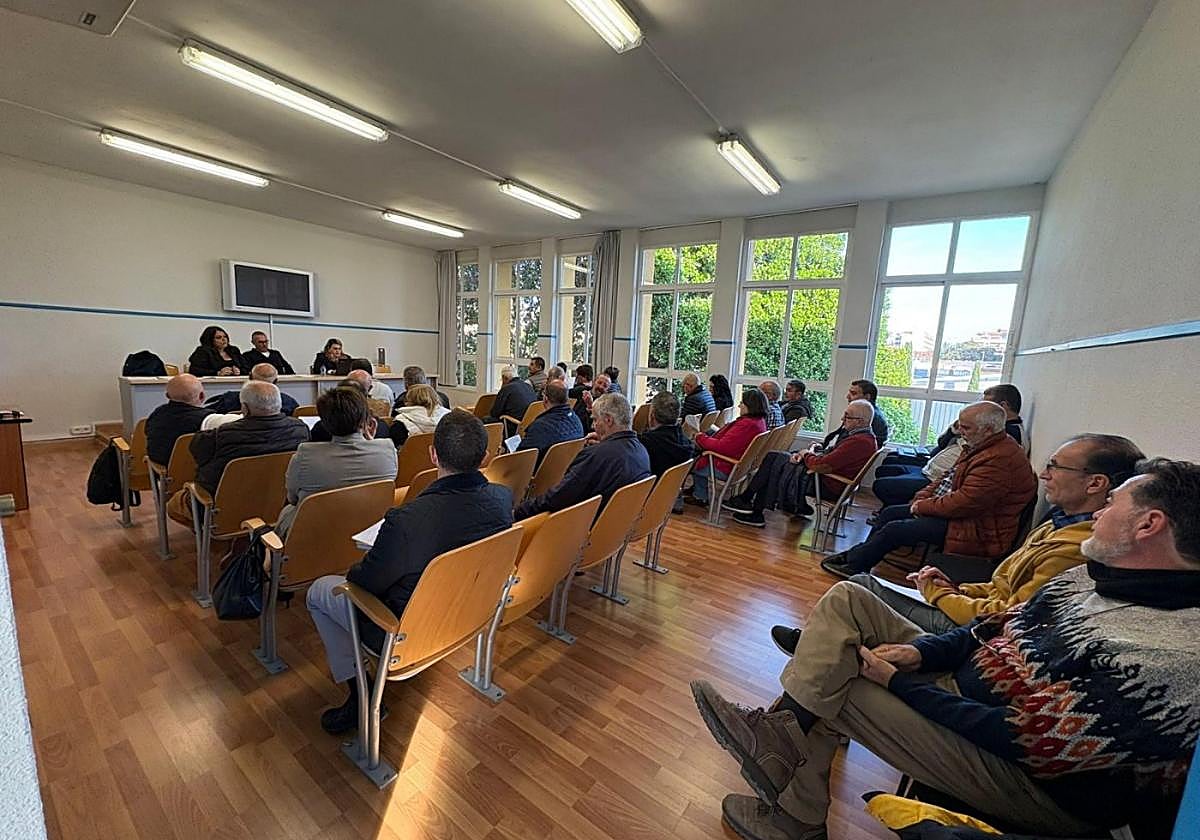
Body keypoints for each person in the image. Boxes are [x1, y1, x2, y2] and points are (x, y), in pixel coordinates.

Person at [690, 458, 1200, 840]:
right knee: (849, 599)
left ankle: (792, 808)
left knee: (834, 678)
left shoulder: (1167, 655)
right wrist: (923, 654)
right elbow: (992, 625)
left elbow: (1023, 738)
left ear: (1148, 525)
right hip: (970, 686)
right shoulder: (1091, 577)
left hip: (1031, 781)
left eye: (1114, 504)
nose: (1100, 512)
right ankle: (780, 743)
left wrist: (900, 683)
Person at [305, 412, 512, 734]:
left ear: (433, 455)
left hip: (404, 631)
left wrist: (360, 565)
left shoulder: (406, 521)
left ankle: (361, 693)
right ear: (485, 457)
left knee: (321, 590)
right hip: (468, 614)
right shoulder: (502, 498)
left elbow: (364, 583)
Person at [828, 433, 1146, 637]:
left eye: (1055, 467)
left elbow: (1007, 616)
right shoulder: (1059, 522)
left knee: (855, 587)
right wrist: (956, 587)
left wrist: (939, 594)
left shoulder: (1081, 548)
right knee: (862, 582)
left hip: (976, 575)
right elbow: (1003, 588)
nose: (1044, 474)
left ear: (1095, 483)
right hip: (972, 595)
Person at [821, 401, 1036, 578]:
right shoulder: (983, 446)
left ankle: (855, 563)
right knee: (889, 513)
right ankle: (859, 559)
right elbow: (945, 478)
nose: (960, 432)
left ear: (988, 430)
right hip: (964, 517)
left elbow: (963, 503)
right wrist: (921, 498)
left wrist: (921, 506)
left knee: (895, 529)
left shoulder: (998, 461)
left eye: (966, 428)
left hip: (976, 529)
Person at [165, 381, 309, 524]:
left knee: (174, 504)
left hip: (223, 508)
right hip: (278, 504)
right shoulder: (300, 429)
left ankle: (209, 534)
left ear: (244, 408)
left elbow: (198, 455)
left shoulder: (222, 435)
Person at [726, 400, 878, 527]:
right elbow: (832, 456)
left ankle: (752, 507)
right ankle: (749, 502)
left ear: (860, 421)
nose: (842, 419)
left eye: (847, 416)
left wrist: (806, 454)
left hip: (826, 485)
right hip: (825, 478)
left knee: (774, 462)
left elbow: (821, 466)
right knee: (776, 459)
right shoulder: (863, 437)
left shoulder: (859, 442)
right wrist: (812, 452)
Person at [275, 386, 397, 536]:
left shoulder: (305, 455)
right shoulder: (387, 449)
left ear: (324, 422)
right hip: (368, 532)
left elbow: (292, 498)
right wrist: (370, 443)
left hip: (314, 534)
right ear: (365, 419)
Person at [515, 393, 651, 520]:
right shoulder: (642, 451)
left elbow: (558, 498)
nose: (593, 425)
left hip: (582, 525)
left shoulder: (596, 456)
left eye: (595, 420)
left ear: (608, 420)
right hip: (618, 524)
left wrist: (518, 512)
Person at [684, 389, 769, 507]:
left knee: (690, 461)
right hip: (739, 466)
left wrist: (700, 437)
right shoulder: (759, 422)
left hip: (726, 466)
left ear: (750, 406)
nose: (739, 406)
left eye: (742, 403)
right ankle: (698, 491)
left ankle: (700, 496)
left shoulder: (747, 425)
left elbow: (722, 447)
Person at [145, 373, 213, 466]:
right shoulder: (208, 419)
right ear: (202, 396)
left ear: (167, 396)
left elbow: (147, 432)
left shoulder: (157, 413)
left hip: (161, 468)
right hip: (195, 469)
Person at [517, 381, 584, 468]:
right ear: (567, 399)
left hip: (540, 474)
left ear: (545, 399)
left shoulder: (540, 427)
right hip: (566, 471)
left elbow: (520, 459)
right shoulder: (576, 420)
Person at [203, 363, 298, 424]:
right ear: (276, 381)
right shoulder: (290, 403)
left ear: (250, 377)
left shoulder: (229, 400)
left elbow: (206, 417)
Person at [638, 391, 694, 477]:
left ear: (652, 415)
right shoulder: (686, 442)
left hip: (651, 484)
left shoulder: (645, 443)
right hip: (672, 485)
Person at [486, 366, 537, 431]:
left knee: (486, 419)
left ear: (504, 378)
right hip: (529, 425)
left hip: (513, 425)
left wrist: (502, 388)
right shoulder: (528, 386)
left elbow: (494, 413)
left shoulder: (507, 388)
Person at [982, 383, 1028, 451]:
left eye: (987, 406)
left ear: (1003, 406)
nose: (983, 410)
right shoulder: (1008, 429)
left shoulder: (1009, 433)